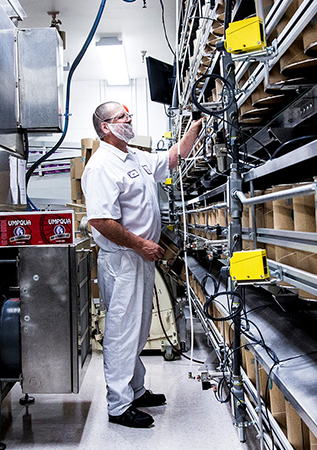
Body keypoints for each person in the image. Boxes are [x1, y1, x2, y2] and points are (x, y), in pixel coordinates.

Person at [82, 101, 203, 428]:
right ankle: (119, 406)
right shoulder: (100, 166)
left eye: (129, 115)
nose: (129, 119)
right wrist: (140, 243)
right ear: (106, 127)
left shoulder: (134, 155)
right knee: (122, 332)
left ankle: (135, 390)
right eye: (122, 117)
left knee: (137, 327)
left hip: (140, 257)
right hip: (123, 260)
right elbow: (101, 221)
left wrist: (196, 125)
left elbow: (172, 158)